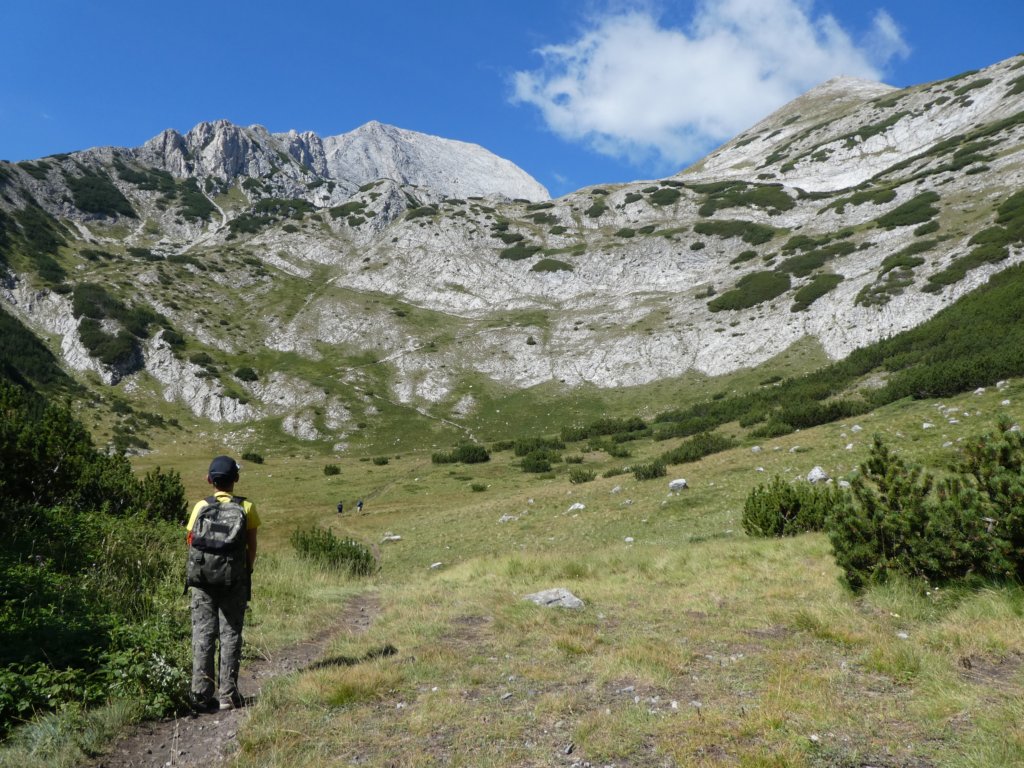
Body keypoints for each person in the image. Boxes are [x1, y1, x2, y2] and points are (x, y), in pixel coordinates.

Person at [186, 455, 260, 713]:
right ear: (235, 479)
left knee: (203, 633)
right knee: (230, 634)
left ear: (209, 480)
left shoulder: (200, 506)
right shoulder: (247, 507)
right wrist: (245, 571)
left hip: (202, 580)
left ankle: (201, 695)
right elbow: (251, 546)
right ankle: (228, 695)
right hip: (234, 580)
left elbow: (191, 541)